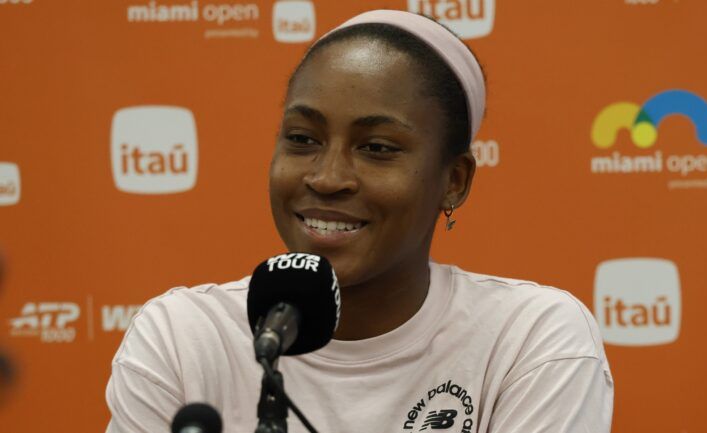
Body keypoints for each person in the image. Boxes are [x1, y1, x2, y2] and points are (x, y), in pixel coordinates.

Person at [106, 10, 613, 433]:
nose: (327, 178)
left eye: (377, 148)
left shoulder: (529, 337)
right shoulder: (184, 337)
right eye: (302, 139)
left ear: (454, 180)